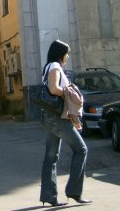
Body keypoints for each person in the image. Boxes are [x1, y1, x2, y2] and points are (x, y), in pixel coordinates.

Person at [39, 40, 92, 207]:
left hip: (50, 116)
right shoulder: (55, 66)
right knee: (81, 149)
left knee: (50, 157)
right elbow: (54, 89)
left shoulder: (48, 66)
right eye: (67, 53)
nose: (67, 56)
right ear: (60, 54)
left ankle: (49, 196)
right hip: (57, 118)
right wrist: (69, 93)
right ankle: (74, 191)